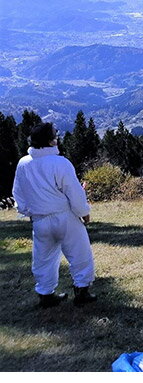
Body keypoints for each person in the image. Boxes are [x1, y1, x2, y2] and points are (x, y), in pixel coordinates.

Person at [12, 122, 97, 307]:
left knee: (44, 259)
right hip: (64, 216)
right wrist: (84, 212)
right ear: (50, 141)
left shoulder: (23, 163)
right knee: (80, 253)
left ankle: (45, 294)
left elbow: (18, 192)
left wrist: (28, 212)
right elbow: (73, 191)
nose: (57, 138)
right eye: (55, 136)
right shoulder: (61, 163)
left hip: (40, 219)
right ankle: (82, 291)